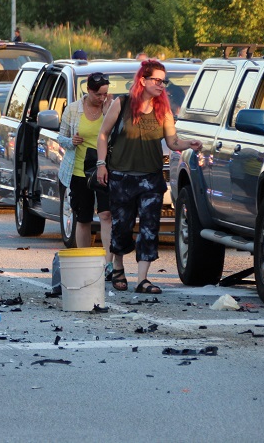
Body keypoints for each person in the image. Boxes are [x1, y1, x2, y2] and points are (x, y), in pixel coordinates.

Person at [96, 60, 202, 294]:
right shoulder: (122, 103)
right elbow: (103, 134)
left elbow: (173, 142)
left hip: (151, 179)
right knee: (122, 227)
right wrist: (101, 164)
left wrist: (189, 144)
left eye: (164, 81)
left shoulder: (163, 109)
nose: (161, 85)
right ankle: (118, 268)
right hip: (121, 177)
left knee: (149, 228)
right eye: (157, 80)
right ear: (143, 81)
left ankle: (142, 279)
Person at [57, 73, 114, 269]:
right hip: (79, 171)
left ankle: (108, 263)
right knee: (83, 218)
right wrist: (71, 141)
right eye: (98, 94)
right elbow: (61, 138)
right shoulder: (73, 110)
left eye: (105, 94)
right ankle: (85, 262)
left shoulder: (110, 108)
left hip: (104, 169)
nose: (102, 98)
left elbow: (117, 136)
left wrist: (107, 112)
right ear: (88, 90)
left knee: (106, 215)